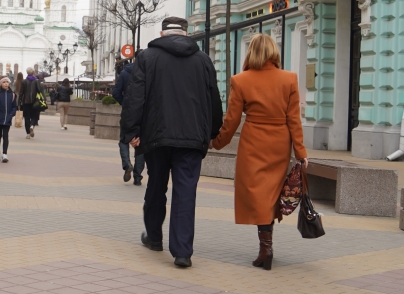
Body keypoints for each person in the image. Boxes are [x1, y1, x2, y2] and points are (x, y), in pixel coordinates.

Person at [120, 17, 222, 269]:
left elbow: (135, 96)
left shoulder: (147, 57)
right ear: (187, 33)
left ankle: (154, 237)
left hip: (157, 135)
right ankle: (182, 251)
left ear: (162, 33)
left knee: (156, 186)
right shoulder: (203, 60)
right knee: (186, 192)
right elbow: (214, 98)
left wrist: (131, 131)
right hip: (191, 138)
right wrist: (212, 131)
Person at [211, 33, 307, 271]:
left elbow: (232, 120)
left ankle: (266, 248)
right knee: (272, 192)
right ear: (274, 51)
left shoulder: (241, 80)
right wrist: (301, 152)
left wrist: (217, 142)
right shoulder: (289, 79)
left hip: (253, 141)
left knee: (256, 192)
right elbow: (294, 119)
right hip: (280, 142)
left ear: (251, 52)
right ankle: (267, 246)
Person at [112, 56, 140, 184]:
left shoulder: (124, 73)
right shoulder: (148, 72)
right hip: (143, 112)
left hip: (128, 112)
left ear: (134, 59)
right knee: (142, 142)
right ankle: (138, 177)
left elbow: (116, 92)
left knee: (124, 140)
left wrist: (124, 103)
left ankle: (127, 164)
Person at [0, 75, 18, 162]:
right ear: (0, 84)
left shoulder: (12, 94)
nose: (6, 84)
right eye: (4, 82)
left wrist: (11, 114)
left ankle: (5, 154)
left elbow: (14, 106)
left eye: (7, 82)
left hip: (7, 118)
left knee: (6, 136)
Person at [20, 71, 46, 138]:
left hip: (26, 102)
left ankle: (28, 134)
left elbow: (21, 93)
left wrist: (19, 102)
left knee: (27, 117)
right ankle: (32, 126)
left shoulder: (24, 81)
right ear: (33, 73)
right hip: (35, 102)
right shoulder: (36, 81)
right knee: (34, 116)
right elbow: (39, 90)